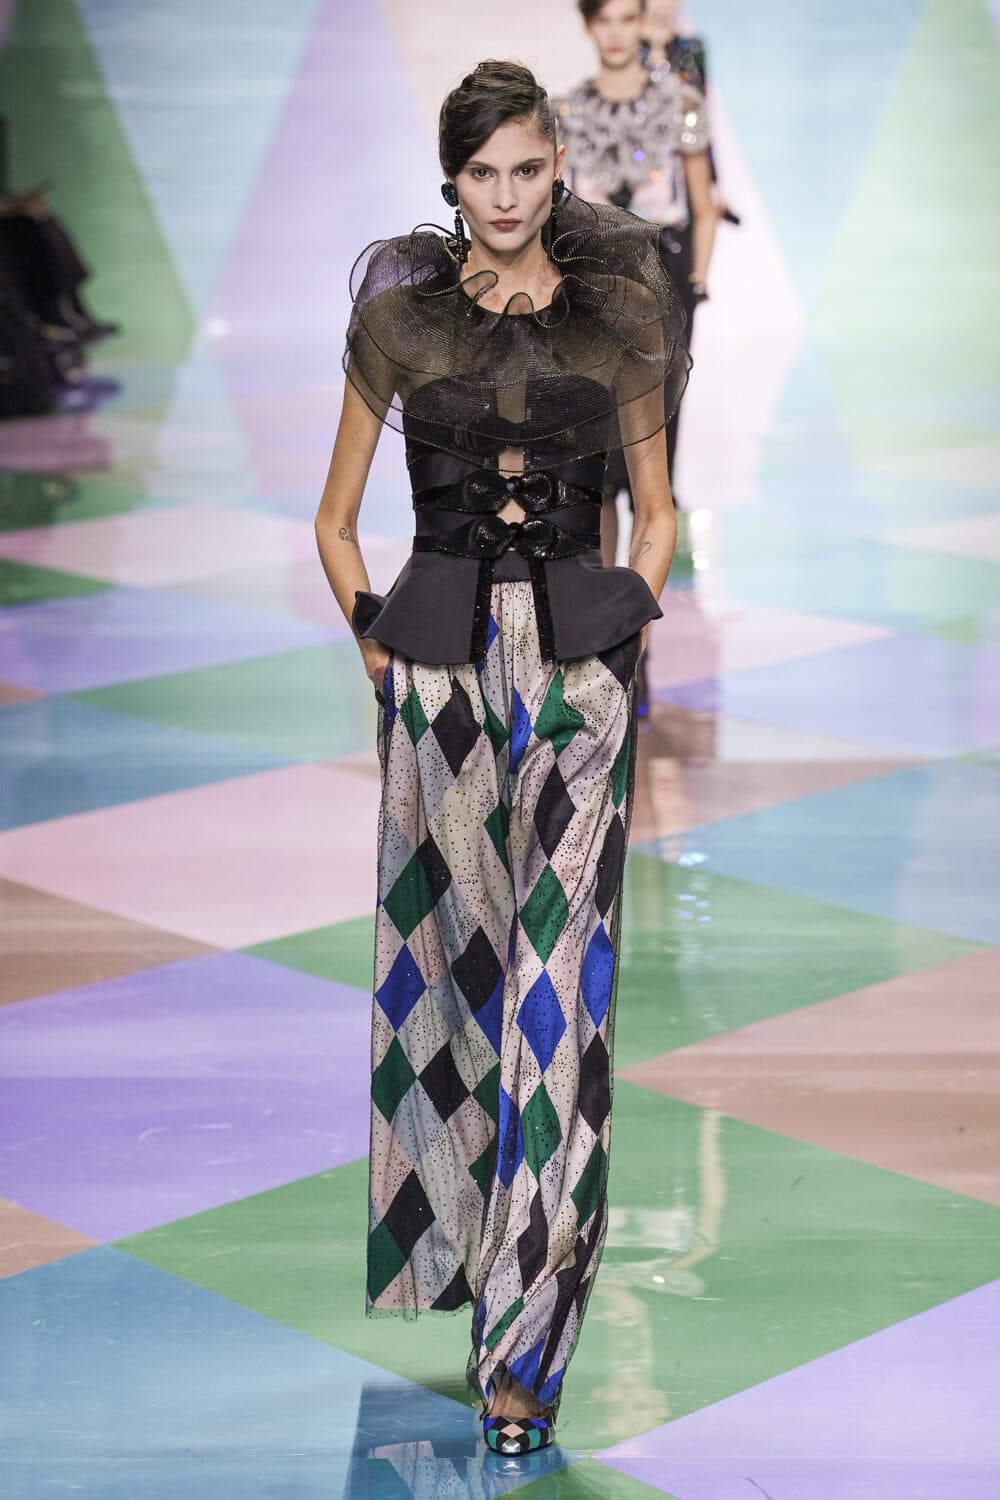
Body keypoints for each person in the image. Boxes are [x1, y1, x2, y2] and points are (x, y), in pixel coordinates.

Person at [315, 58, 687, 1456]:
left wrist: (623, 640)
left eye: (529, 169)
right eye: (483, 174)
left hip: (580, 678)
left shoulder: (620, 320)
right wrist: (381, 656)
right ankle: (475, 1278)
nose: (509, 196)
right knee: (456, 993)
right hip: (438, 685)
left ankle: (523, 1356)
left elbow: (655, 509)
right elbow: (334, 518)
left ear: (557, 166)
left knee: (558, 1005)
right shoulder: (401, 323)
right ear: (453, 180)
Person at [556, 0, 715, 523]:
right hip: (592, 280)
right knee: (595, 459)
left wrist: (696, 280)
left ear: (644, 22)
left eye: (628, 19)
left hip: (664, 279)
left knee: (654, 452)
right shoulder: (565, 113)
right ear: (587, 26)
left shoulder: (682, 104)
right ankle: (601, 576)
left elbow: (703, 206)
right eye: (605, 20)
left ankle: (644, 578)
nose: (617, 33)